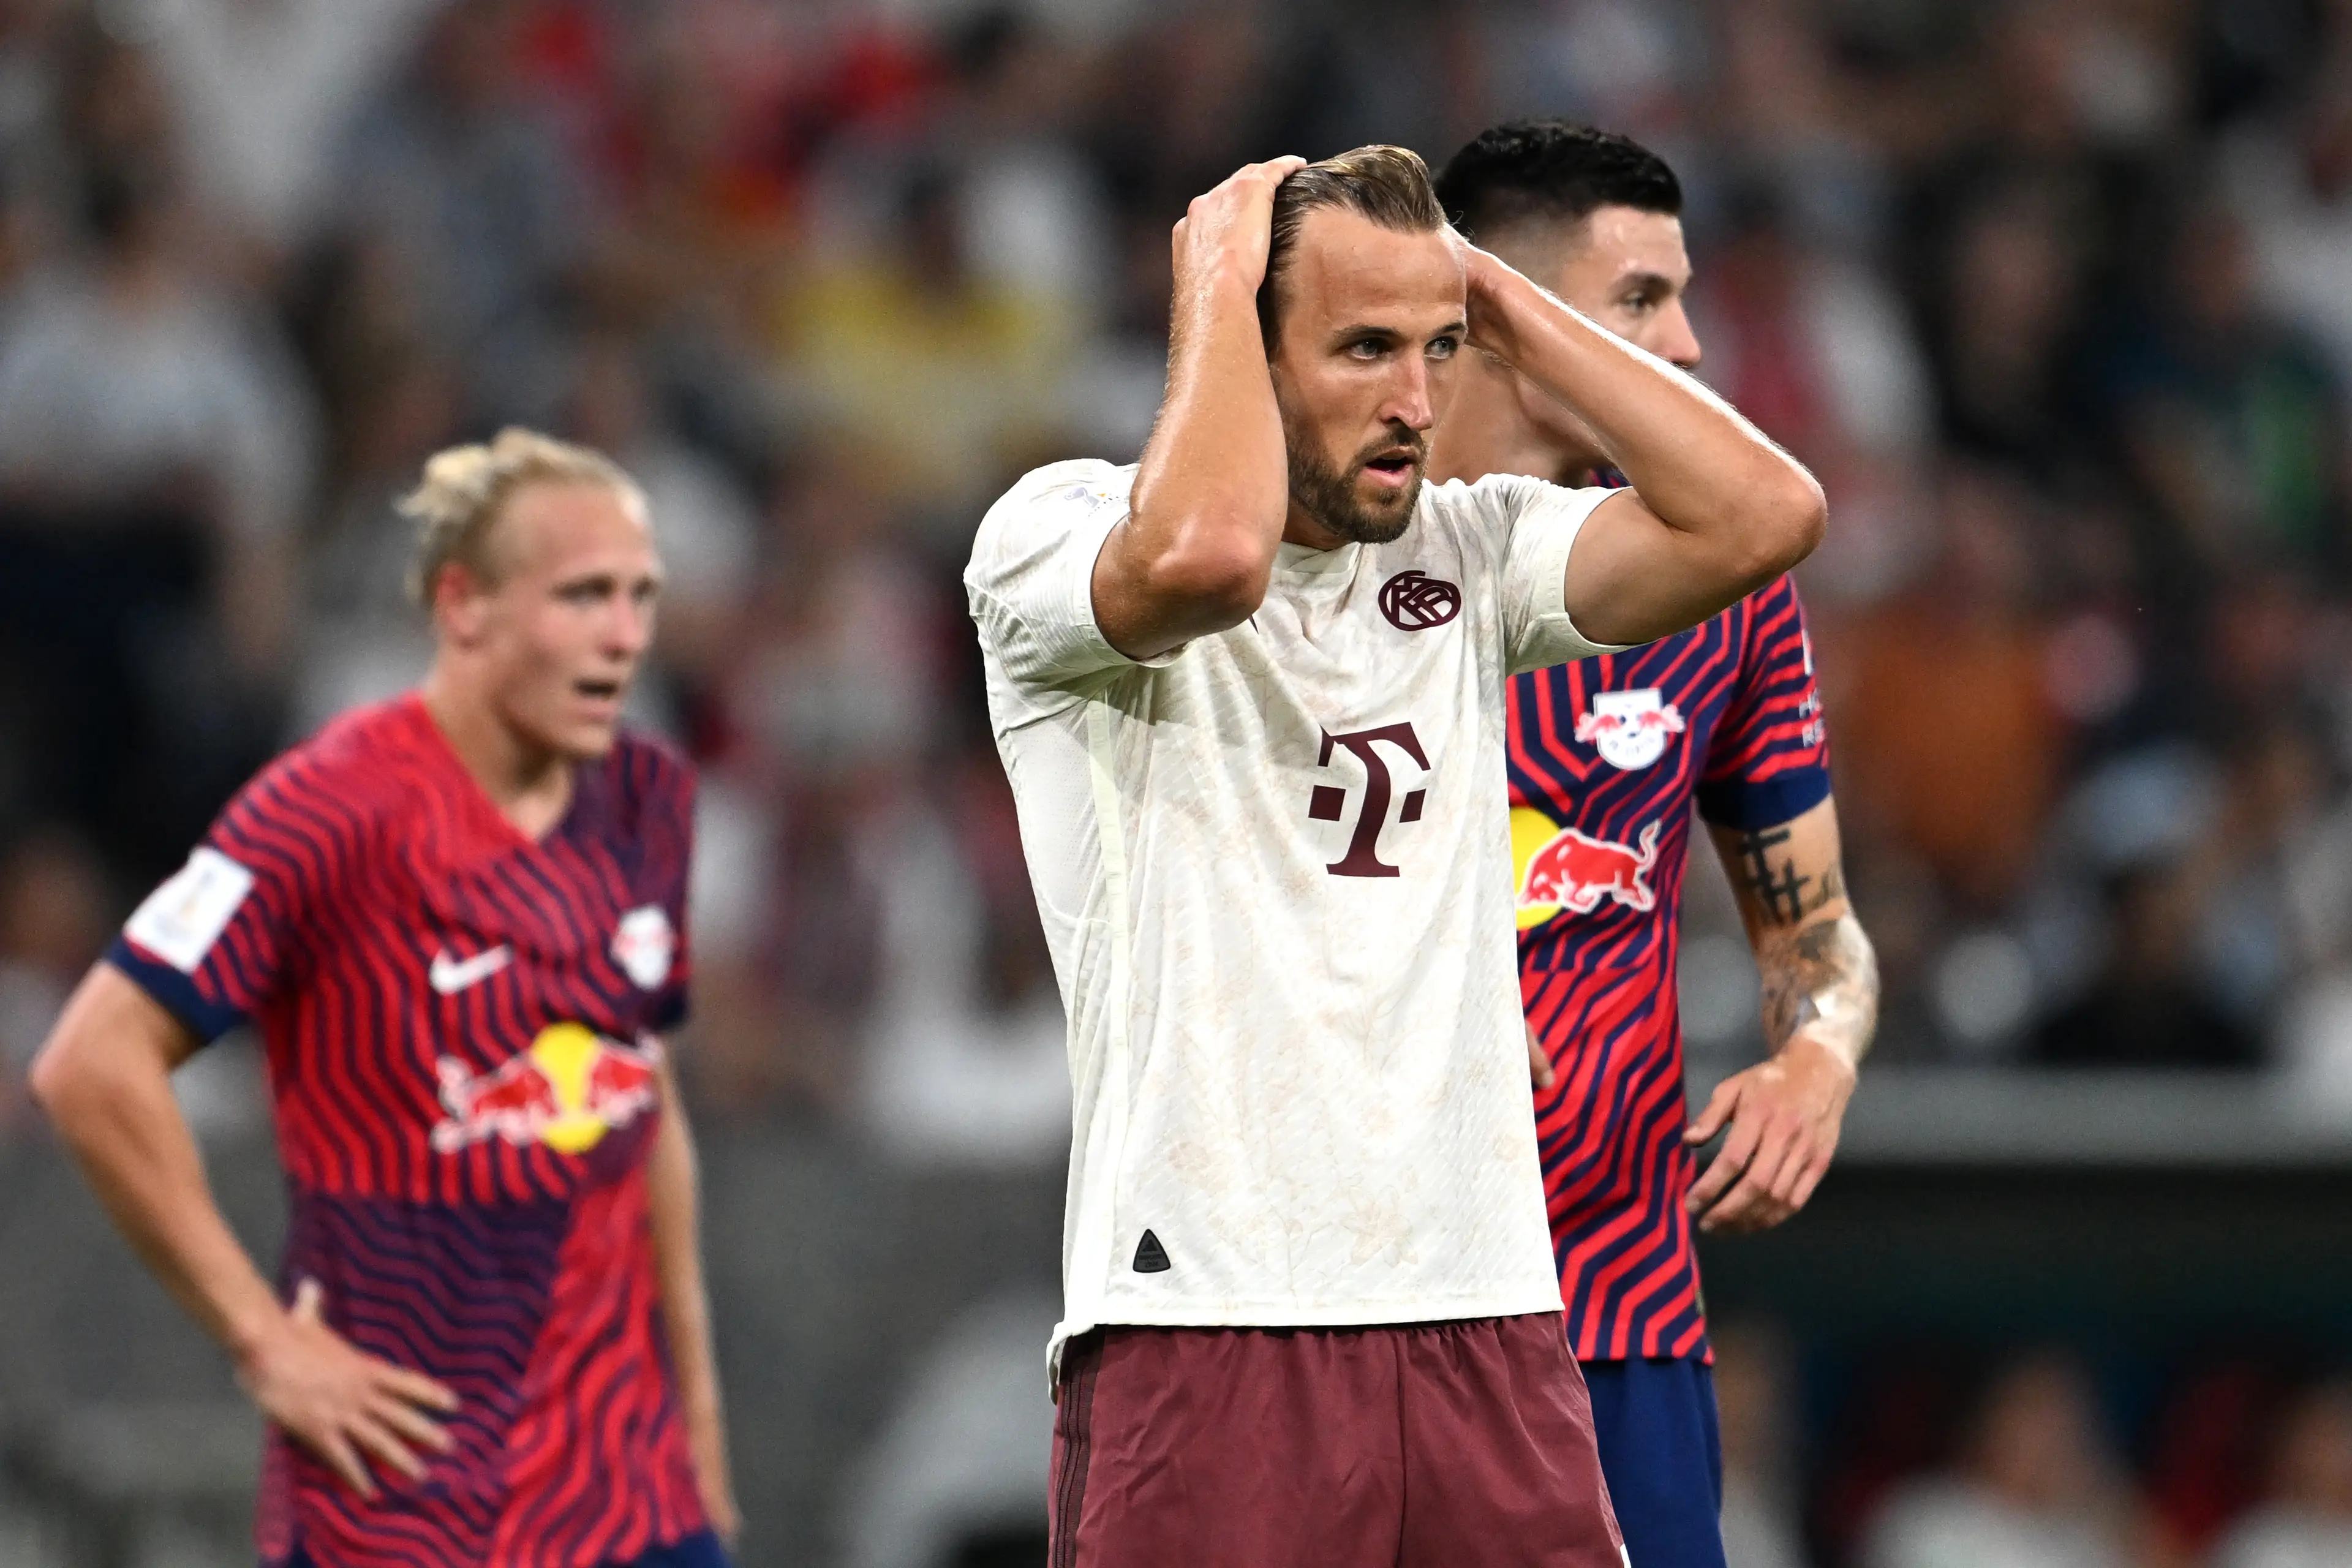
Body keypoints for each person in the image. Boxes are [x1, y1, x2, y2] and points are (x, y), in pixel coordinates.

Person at [966, 144, 1824, 1566]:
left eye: (1437, 352)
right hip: (1212, 1316)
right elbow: (1207, 559)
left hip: (1489, 1310)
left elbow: (1765, 516)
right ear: (1235, 339)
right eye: (1364, 347)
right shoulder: (1053, 532)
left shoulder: (1469, 553)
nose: (1417, 402)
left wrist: (1486, 288)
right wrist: (1216, 277)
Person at [29, 429, 737, 1568]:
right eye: (582, 598)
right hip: (405, 1501)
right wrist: (264, 1339)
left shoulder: (646, 800)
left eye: (638, 596)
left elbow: (637, 1097)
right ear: (465, 607)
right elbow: (89, 1065)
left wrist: (696, 1404)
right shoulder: (328, 810)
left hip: (626, 1500)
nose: (624, 636)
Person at [1428, 119, 1881, 1568]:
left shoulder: (1726, 597)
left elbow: (1816, 937)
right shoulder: (1319, 573)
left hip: (1619, 1305)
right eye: (1636, 299)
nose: (1685, 343)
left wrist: (1818, 1054)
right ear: (1502, 313)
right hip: (1346, 1292)